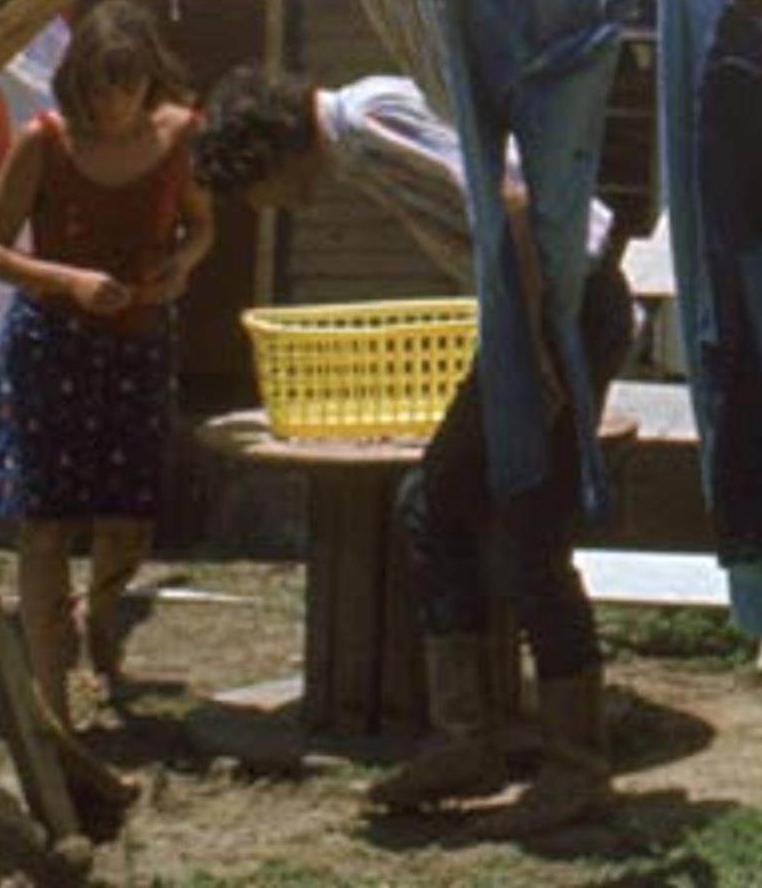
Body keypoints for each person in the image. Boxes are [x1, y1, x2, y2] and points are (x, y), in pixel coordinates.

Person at [195, 65, 641, 834]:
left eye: (252, 189)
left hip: (566, 304)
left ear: (269, 154)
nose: (262, 207)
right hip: (534, 309)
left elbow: (514, 204)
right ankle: (466, 742)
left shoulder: (369, 126)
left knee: (528, 532)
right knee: (434, 501)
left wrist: (534, 351)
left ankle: (577, 768)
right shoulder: (359, 134)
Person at [0, 0, 213, 726]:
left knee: (127, 518)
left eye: (128, 87)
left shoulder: (181, 138)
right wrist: (67, 280)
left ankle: (101, 615)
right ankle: (51, 703)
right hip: (53, 348)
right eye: (100, 88)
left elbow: (203, 226)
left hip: (137, 345)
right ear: (78, 84)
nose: (113, 104)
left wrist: (182, 265)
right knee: (45, 522)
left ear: (149, 83)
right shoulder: (44, 142)